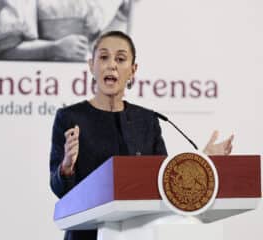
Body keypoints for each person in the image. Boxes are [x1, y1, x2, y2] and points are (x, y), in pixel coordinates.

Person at [49, 31, 234, 240]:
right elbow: (59, 190)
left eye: (120, 59)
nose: (111, 65)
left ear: (133, 70)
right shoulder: (70, 118)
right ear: (91, 66)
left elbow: (166, 182)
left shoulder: (147, 120)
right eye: (103, 57)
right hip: (86, 235)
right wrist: (66, 167)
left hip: (140, 233)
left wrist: (202, 160)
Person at [0, 0, 134, 61]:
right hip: (31, 88)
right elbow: (4, 51)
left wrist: (120, 17)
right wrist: (54, 49)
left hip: (75, 87)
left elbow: (94, 47)